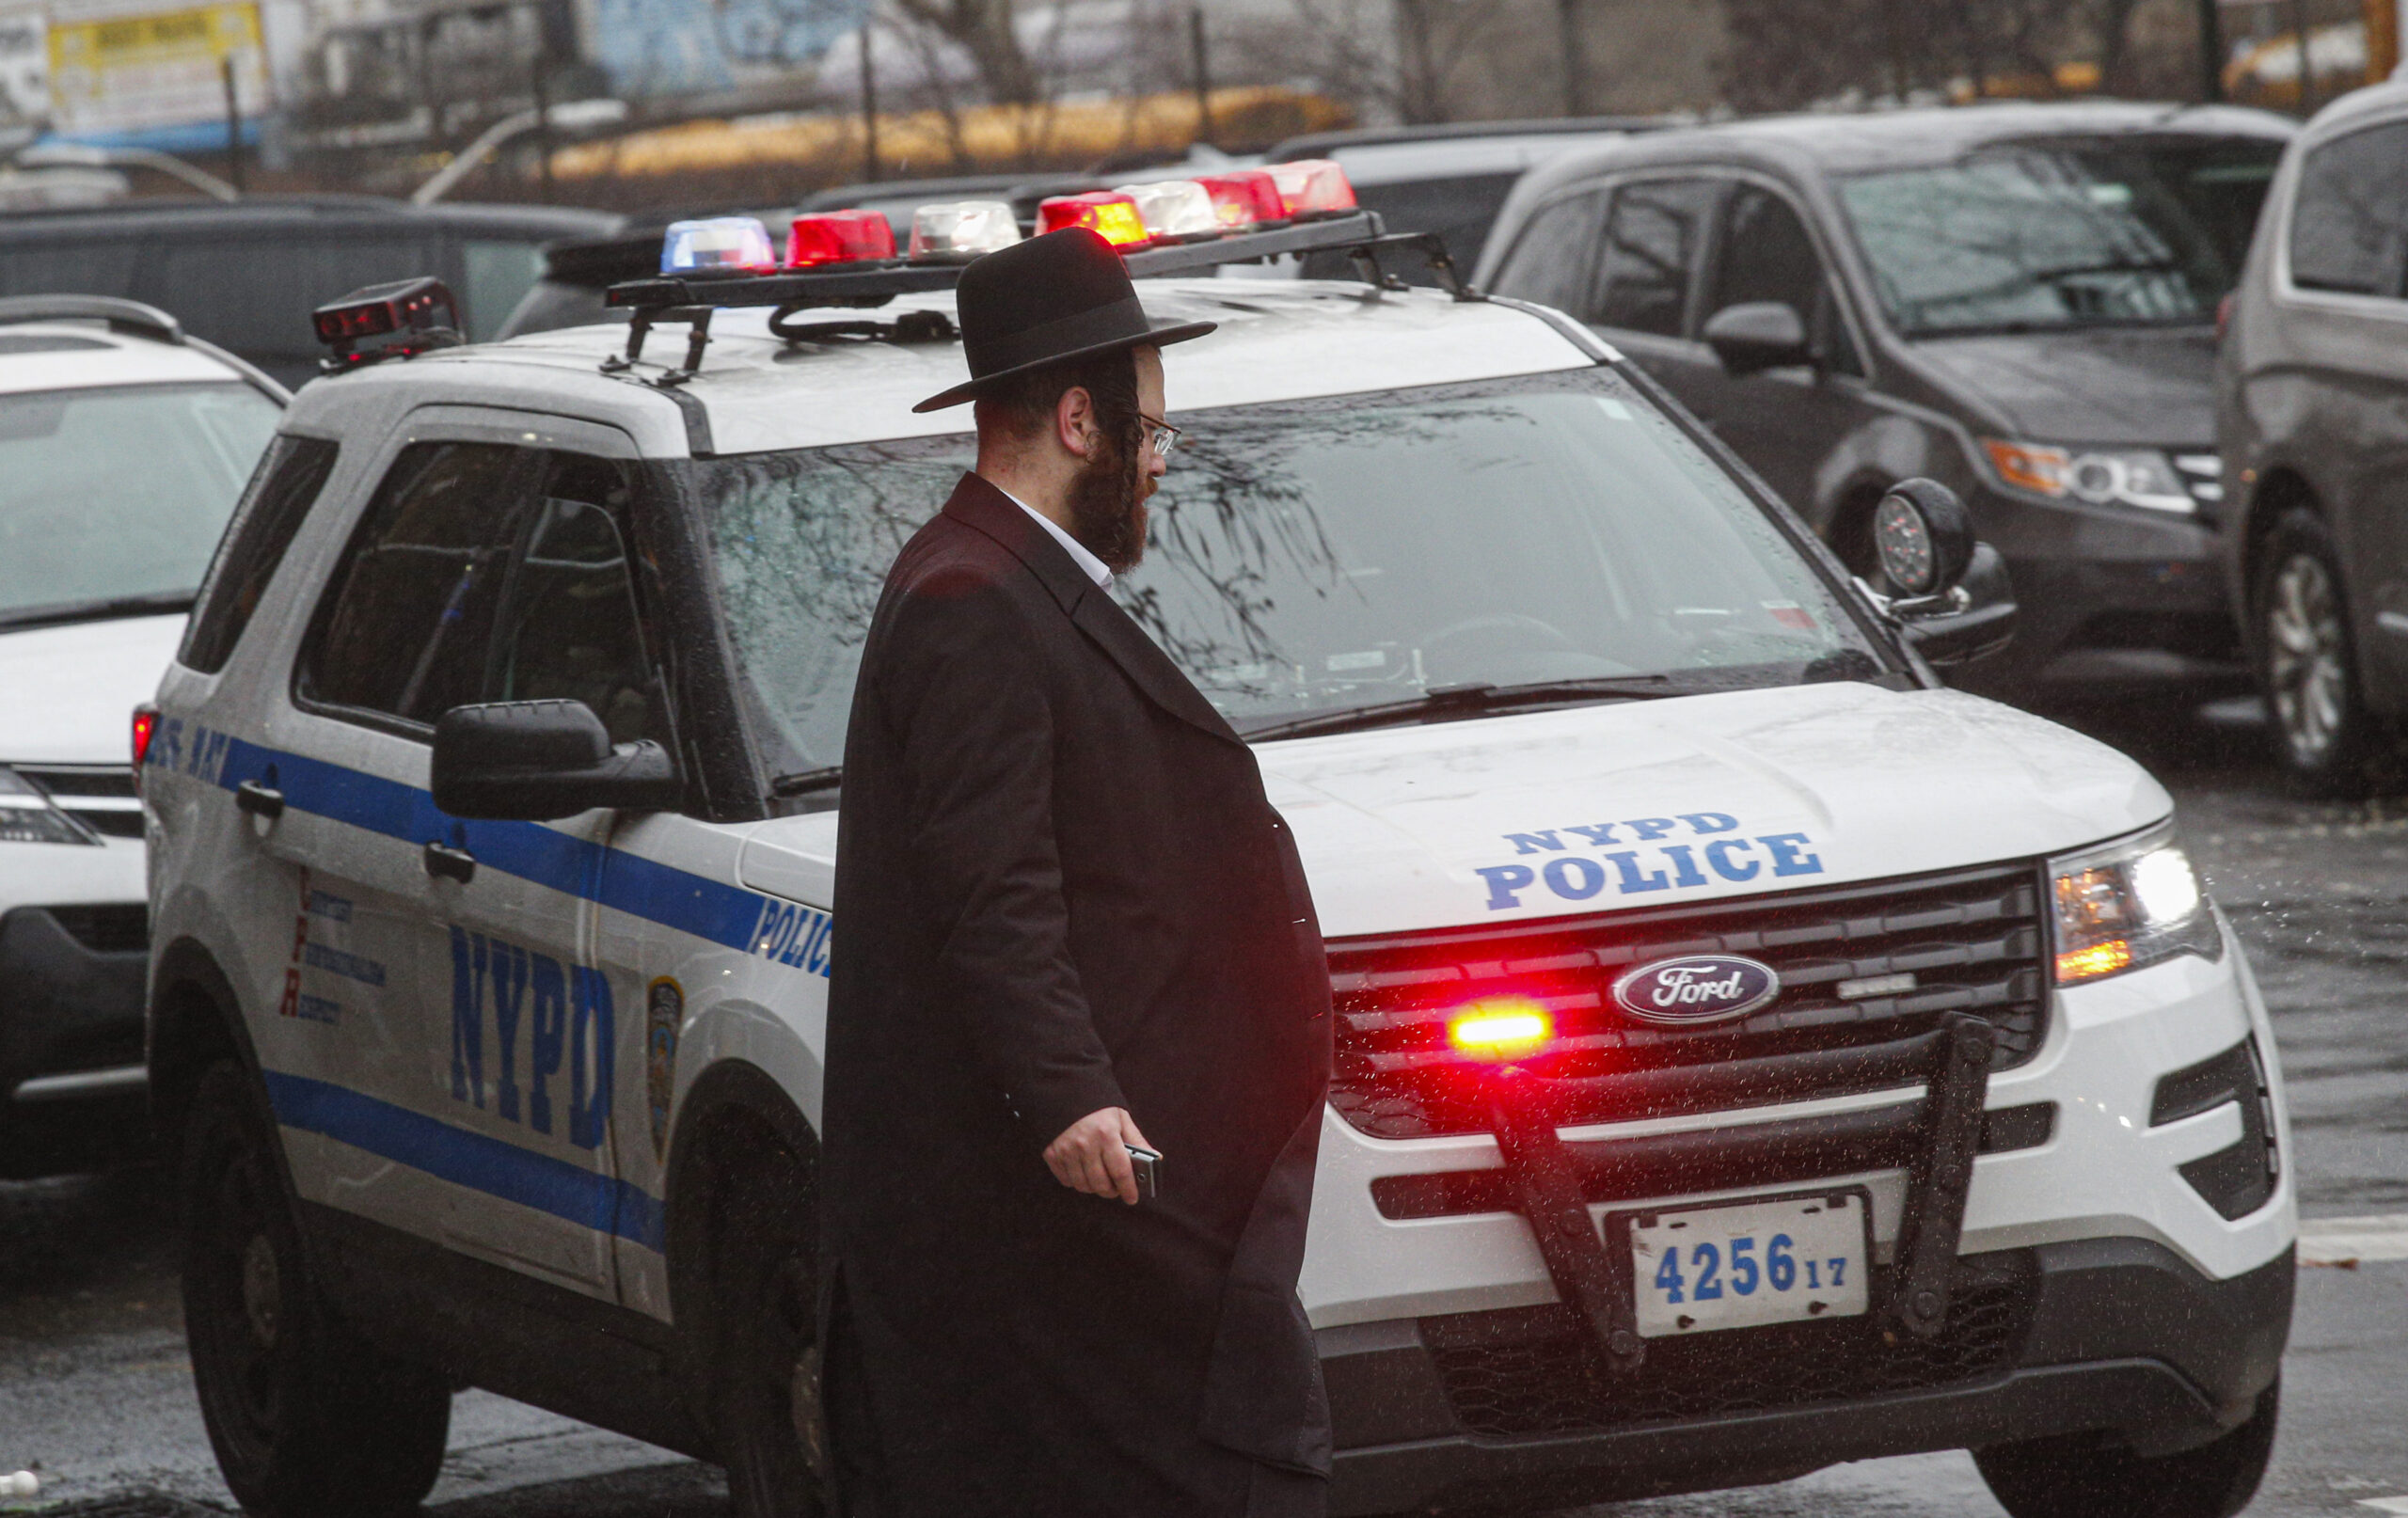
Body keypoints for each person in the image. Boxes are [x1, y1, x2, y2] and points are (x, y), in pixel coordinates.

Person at [820, 227, 1336, 1517]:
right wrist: (1071, 1097)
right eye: (1153, 434)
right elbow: (990, 887)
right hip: (1049, 1229)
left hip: (1097, 1209)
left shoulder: (1011, 581)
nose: (1160, 466)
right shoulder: (970, 601)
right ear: (1077, 420)